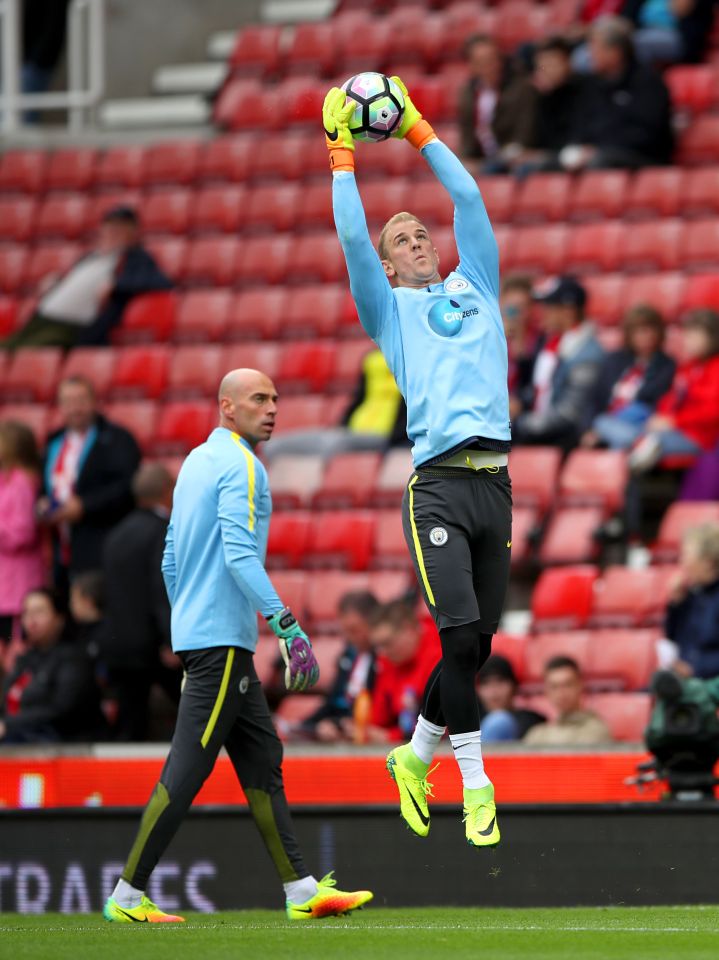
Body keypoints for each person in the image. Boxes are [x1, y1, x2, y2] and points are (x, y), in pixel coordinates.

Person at [104, 368, 372, 923]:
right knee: (187, 768)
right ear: (228, 407)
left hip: (208, 640)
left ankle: (301, 889)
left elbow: (171, 559)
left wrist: (186, 634)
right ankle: (127, 895)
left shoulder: (195, 463)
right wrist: (287, 624)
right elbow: (239, 554)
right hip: (224, 642)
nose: (272, 408)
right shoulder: (245, 466)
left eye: (275, 398)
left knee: (262, 759)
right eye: (258, 399)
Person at [324, 78, 512, 848]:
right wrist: (342, 156)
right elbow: (348, 240)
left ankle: (414, 752)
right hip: (435, 484)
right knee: (458, 637)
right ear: (389, 269)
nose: (416, 238)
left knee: (475, 645)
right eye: (399, 239)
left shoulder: (477, 285)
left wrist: (417, 130)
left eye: (418, 232)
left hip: (494, 483)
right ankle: (471, 782)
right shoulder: (389, 310)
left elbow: (467, 198)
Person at [2, 206, 172, 351]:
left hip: (72, 328)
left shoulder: (136, 257)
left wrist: (116, 286)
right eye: (110, 228)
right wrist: (57, 283)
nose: (112, 233)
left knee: (25, 353)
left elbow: (160, 281)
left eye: (119, 229)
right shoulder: (90, 257)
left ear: (132, 233)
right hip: (41, 320)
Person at [101, 463, 181, 742]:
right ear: (166, 490)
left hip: (118, 642)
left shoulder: (116, 534)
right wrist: (171, 639)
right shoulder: (161, 531)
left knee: (130, 724)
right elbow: (160, 588)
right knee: (195, 705)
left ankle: (121, 783)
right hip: (151, 645)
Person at [38, 375, 141, 590]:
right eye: (68, 402)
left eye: (81, 400)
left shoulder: (117, 439)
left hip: (103, 545)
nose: (75, 408)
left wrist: (85, 505)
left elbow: (127, 486)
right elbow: (43, 484)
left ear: (95, 401)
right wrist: (42, 504)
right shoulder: (53, 441)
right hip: (63, 548)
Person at [559, 16, 673, 171]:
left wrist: (597, 149)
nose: (590, 55)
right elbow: (579, 125)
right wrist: (577, 148)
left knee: (600, 162)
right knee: (548, 166)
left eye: (595, 48)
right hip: (597, 153)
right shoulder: (590, 85)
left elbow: (648, 134)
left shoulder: (647, 82)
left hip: (642, 158)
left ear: (616, 52)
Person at [263, 347, 408, 462]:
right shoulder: (371, 358)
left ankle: (312, 491)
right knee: (273, 445)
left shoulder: (410, 360)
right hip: (350, 431)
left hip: (381, 435)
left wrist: (393, 441)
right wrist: (342, 425)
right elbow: (358, 399)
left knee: (333, 445)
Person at [0, 587, 103, 743]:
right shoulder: (25, 659)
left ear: (59, 617)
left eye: (39, 612)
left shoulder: (74, 657)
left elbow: (61, 709)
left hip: (60, 744)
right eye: (26, 613)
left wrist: (8, 724)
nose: (31, 621)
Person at [512, 275, 605, 449]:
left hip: (563, 442)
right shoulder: (552, 344)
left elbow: (569, 415)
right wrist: (518, 404)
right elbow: (541, 390)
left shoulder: (586, 354)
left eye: (548, 307)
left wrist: (517, 426)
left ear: (568, 310)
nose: (541, 313)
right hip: (540, 432)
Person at [629, 309, 719, 472]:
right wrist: (662, 417)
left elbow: (712, 412)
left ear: (711, 338)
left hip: (700, 438)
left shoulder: (715, 369)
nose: (688, 342)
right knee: (627, 427)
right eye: (686, 336)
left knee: (641, 445)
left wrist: (674, 421)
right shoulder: (688, 367)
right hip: (675, 430)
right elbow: (671, 398)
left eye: (694, 337)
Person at [582, 304, 676, 450]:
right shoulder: (613, 360)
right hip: (607, 426)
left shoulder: (667, 366)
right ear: (629, 334)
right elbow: (594, 400)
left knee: (628, 415)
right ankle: (634, 444)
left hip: (639, 425)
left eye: (651, 330)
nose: (646, 336)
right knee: (602, 424)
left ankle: (630, 444)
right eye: (640, 331)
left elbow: (652, 405)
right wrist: (587, 430)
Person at [299, 590, 379, 742]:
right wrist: (311, 726)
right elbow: (333, 701)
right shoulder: (348, 656)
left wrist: (338, 725)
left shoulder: (385, 660)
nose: (348, 637)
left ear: (374, 623)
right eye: (345, 631)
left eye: (354, 630)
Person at [358, 601, 442, 744]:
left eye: (387, 643)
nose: (383, 652)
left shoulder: (440, 654)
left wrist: (391, 736)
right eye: (378, 646)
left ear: (408, 630)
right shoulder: (389, 661)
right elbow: (377, 719)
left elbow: (441, 726)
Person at [457, 35, 536, 174]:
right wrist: (466, 160)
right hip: (482, 161)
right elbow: (467, 136)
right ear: (472, 66)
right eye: (481, 62)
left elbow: (526, 130)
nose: (489, 67)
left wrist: (512, 152)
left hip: (512, 157)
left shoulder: (521, 88)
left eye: (492, 60)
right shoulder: (468, 94)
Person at [0, 420, 45, 650]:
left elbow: (23, 532)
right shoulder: (6, 479)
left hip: (18, 579)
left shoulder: (21, 482)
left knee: (16, 648)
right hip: (5, 580)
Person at [513, 37, 584, 178]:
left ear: (567, 62)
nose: (547, 70)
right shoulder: (541, 97)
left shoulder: (584, 90)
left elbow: (577, 137)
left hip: (574, 156)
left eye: (552, 63)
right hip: (551, 155)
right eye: (542, 66)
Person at [664, 523, 719, 680]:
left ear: (708, 561)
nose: (683, 563)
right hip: (684, 682)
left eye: (687, 556)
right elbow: (672, 637)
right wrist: (676, 605)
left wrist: (695, 669)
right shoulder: (691, 596)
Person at [523, 656, 612, 746]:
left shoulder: (596, 731)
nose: (561, 693)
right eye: (554, 687)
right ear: (547, 691)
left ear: (580, 685)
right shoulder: (538, 734)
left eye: (568, 685)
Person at [477, 655, 545, 741]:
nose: (493, 690)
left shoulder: (531, 722)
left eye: (500, 681)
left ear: (514, 686)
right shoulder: (469, 725)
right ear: (478, 690)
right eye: (486, 683)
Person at [500, 274, 537, 398]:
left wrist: (521, 349)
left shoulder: (538, 339)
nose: (516, 314)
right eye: (511, 308)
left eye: (522, 308)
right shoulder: (485, 334)